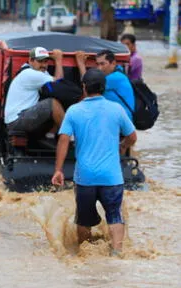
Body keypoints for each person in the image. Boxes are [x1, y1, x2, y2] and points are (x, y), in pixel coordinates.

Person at [52, 69, 137, 257]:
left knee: (83, 220)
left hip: (85, 177)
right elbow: (132, 136)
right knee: (115, 215)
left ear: (84, 87)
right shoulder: (116, 109)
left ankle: (85, 255)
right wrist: (122, 147)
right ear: (104, 88)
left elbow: (63, 140)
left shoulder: (74, 110)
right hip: (112, 177)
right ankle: (116, 253)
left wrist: (58, 170)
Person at [4, 47, 67, 137]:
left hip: (20, 117)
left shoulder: (41, 72)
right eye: (40, 61)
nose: (44, 65)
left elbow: (57, 88)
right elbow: (59, 83)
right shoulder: (29, 73)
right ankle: (68, 137)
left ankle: (51, 136)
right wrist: (58, 60)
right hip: (17, 120)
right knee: (52, 104)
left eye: (46, 62)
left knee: (58, 100)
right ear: (31, 60)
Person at [88, 50, 135, 120]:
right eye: (97, 64)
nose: (99, 68)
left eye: (102, 64)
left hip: (121, 122)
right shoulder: (119, 72)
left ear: (113, 63)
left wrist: (81, 64)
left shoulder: (115, 77)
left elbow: (87, 86)